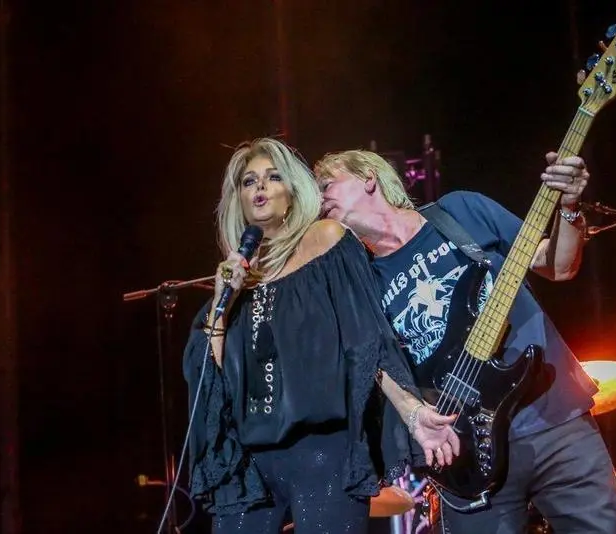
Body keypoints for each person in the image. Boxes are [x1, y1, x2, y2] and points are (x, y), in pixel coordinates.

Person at [313, 149, 616, 533]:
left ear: (369, 178)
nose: (319, 198)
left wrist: (569, 208)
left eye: (327, 184)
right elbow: (371, 363)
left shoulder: (458, 212)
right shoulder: (360, 282)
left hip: (551, 417)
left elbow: (558, 265)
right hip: (464, 448)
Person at [182, 137, 460, 534]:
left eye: (272, 177)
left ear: (292, 191)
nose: (259, 187)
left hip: (322, 450)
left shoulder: (326, 240)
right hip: (250, 461)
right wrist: (223, 301)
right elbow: (211, 380)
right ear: (238, 198)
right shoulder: (236, 280)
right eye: (248, 181)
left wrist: (412, 411)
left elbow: (364, 340)